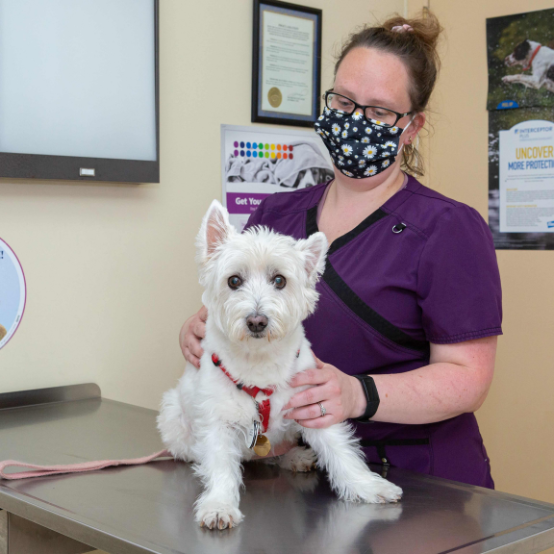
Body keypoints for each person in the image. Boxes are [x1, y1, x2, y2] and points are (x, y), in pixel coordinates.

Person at [180, 12, 502, 488]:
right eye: (344, 101)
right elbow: (244, 311)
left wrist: (357, 394)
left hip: (419, 481)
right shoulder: (277, 213)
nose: (355, 121)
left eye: (378, 112)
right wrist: (203, 330)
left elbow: (467, 378)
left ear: (412, 127)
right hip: (299, 475)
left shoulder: (448, 228)